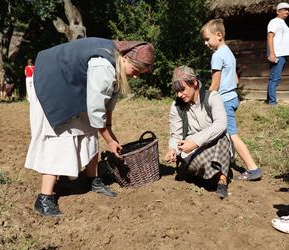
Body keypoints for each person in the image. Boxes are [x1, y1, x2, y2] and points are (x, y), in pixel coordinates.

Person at [24, 37, 155, 217]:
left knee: (91, 130)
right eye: (136, 70)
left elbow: (107, 103)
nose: (135, 75)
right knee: (60, 138)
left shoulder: (116, 65)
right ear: (125, 58)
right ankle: (44, 198)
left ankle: (92, 179)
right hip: (54, 85)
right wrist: (109, 140)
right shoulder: (104, 65)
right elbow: (96, 110)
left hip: (73, 86)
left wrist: (109, 130)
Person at [200, 19, 262, 181]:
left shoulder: (217, 56)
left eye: (207, 39)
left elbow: (215, 84)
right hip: (233, 98)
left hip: (225, 101)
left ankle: (253, 168)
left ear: (218, 35)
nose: (206, 43)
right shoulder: (228, 52)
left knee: (232, 134)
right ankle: (229, 159)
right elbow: (235, 80)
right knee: (225, 133)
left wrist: (204, 100)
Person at [164, 66, 230, 199]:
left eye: (182, 90)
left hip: (214, 142)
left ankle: (222, 179)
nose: (179, 95)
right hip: (191, 148)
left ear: (194, 82)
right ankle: (207, 172)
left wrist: (195, 143)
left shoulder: (212, 97)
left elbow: (221, 124)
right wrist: (172, 149)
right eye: (176, 92)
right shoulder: (176, 106)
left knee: (221, 138)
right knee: (193, 157)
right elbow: (176, 134)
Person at [266, 2, 289, 106]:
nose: (287, 11)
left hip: (282, 55)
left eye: (287, 10)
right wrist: (272, 54)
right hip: (277, 55)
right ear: (278, 11)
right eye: (284, 9)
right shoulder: (274, 21)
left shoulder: (282, 23)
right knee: (274, 79)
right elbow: (270, 36)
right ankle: (272, 103)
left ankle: (270, 101)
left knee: (275, 78)